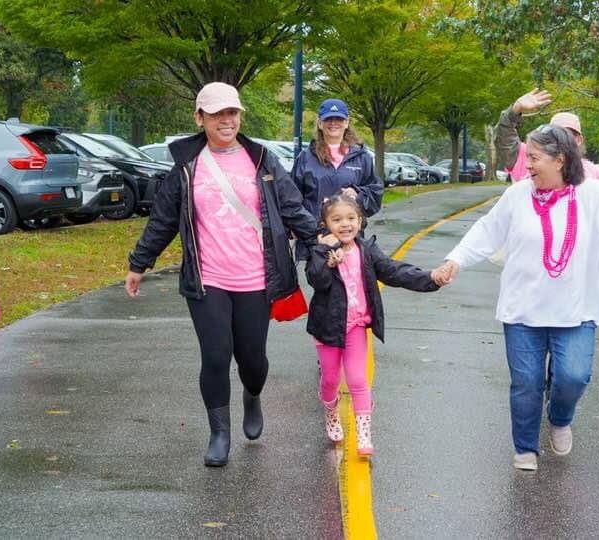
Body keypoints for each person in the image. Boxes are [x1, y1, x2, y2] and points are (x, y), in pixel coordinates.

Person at [433, 124, 599, 471]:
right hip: (524, 310)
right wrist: (454, 260)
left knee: (573, 377)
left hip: (576, 311)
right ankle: (525, 448)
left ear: (560, 159)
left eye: (534, 158)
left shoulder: (597, 194)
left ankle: (560, 418)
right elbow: (488, 231)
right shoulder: (517, 194)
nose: (527, 165)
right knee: (527, 382)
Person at [125, 82, 317, 467]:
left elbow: (293, 208)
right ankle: (219, 433)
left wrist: (326, 241)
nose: (226, 120)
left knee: (252, 360)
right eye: (217, 114)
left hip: (256, 278)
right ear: (200, 118)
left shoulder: (261, 160)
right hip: (207, 277)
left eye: (232, 112)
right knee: (215, 356)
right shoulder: (187, 166)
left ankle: (252, 394)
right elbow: (163, 218)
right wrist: (139, 263)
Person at [306, 191, 443, 456]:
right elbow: (317, 281)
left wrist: (430, 279)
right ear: (326, 225)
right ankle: (331, 410)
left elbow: (393, 271)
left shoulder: (366, 251)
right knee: (330, 380)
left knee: (358, 380)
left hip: (357, 325)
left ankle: (363, 434)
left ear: (360, 221)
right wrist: (327, 258)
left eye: (351, 218)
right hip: (328, 329)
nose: (345, 224)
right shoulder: (320, 251)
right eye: (337, 219)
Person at [495, 88, 599, 199]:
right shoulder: (530, 159)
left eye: (568, 134)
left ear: (579, 140)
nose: (561, 139)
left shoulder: (592, 173)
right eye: (555, 133)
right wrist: (515, 110)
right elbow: (504, 140)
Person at [292, 98, 383, 261]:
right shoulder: (305, 158)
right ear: (320, 123)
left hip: (350, 237)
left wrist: (358, 194)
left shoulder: (362, 157)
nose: (334, 123)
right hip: (317, 239)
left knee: (352, 284)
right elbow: (292, 199)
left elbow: (375, 194)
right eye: (328, 119)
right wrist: (305, 230)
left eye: (339, 119)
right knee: (323, 284)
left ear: (347, 122)